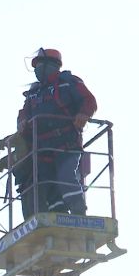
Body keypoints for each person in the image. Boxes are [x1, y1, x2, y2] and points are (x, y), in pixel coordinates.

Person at [16, 48, 97, 218]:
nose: (37, 70)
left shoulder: (68, 82)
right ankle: (58, 213)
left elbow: (89, 101)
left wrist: (83, 114)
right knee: (46, 182)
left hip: (66, 143)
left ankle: (78, 212)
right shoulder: (34, 93)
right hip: (43, 148)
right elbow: (24, 114)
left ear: (51, 65)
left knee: (65, 177)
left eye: (39, 65)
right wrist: (22, 124)